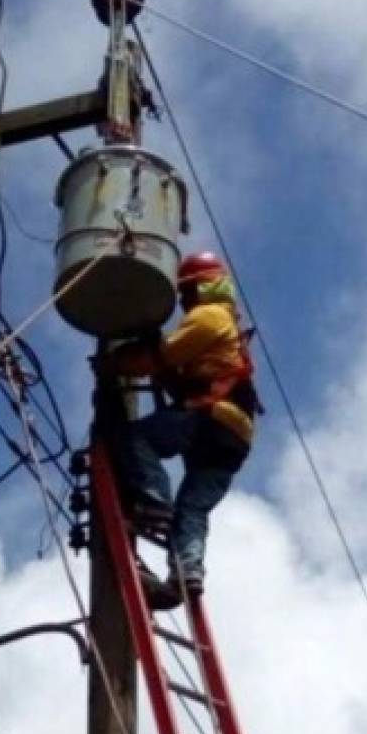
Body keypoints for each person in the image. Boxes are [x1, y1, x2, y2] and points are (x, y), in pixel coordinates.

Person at [103, 252, 260, 601]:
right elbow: (175, 375)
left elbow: (162, 357)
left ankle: (155, 503)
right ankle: (186, 575)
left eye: (186, 293)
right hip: (235, 438)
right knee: (192, 508)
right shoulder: (226, 325)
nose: (183, 303)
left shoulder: (210, 317)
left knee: (134, 437)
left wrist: (115, 365)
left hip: (213, 418)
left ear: (202, 288)